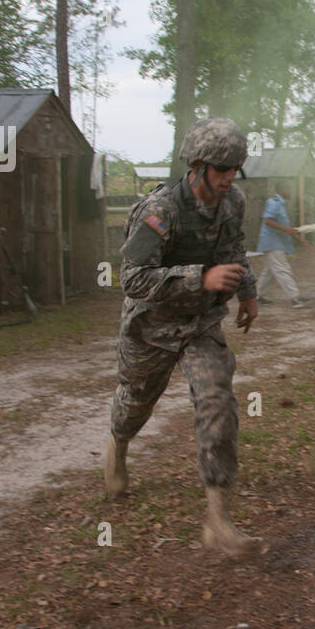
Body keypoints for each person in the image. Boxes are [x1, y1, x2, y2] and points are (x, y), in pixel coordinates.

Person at [104, 117, 261, 556]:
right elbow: (132, 278)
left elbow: (234, 249)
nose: (230, 177)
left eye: (236, 169)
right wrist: (201, 277)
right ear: (196, 166)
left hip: (200, 326)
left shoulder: (233, 203)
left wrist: (248, 293)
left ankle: (218, 520)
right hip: (150, 328)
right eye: (222, 169)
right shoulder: (160, 210)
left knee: (218, 402)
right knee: (136, 403)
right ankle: (118, 445)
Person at [256, 183, 311, 307]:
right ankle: (295, 298)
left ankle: (258, 296)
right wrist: (285, 230)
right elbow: (267, 220)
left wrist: (302, 240)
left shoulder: (281, 204)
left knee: (269, 272)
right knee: (282, 269)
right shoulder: (274, 202)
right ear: (283, 190)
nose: (291, 192)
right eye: (289, 189)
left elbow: (287, 228)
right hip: (272, 242)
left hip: (276, 242)